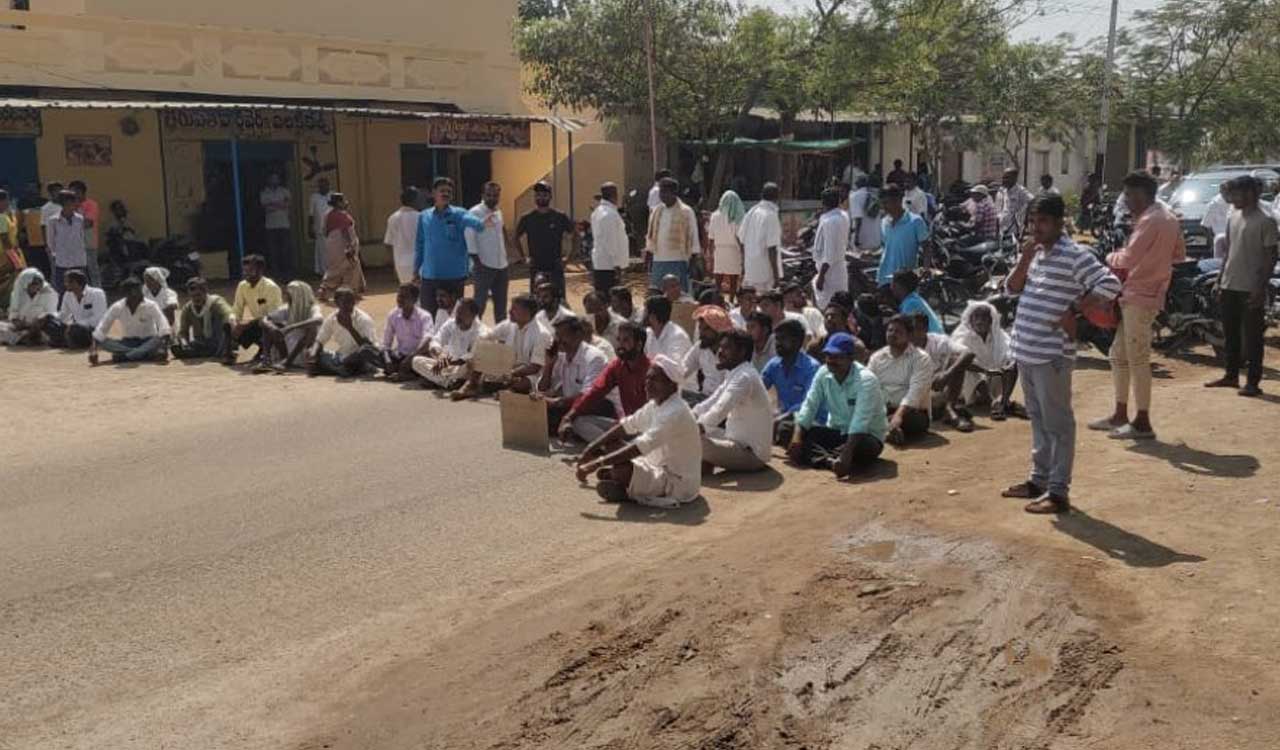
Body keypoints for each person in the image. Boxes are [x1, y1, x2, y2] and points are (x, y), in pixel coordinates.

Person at [1001, 194, 1121, 514]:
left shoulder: (1074, 255)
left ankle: (1058, 492)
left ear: (1058, 222)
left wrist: (1076, 311)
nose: (1035, 227)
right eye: (1032, 221)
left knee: (1058, 423)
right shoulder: (1036, 253)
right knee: (1038, 419)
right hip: (1027, 349)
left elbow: (1110, 284)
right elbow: (1011, 288)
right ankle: (1038, 479)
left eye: (1042, 221)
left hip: (1052, 353)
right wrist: (1025, 258)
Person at [1090, 170, 1185, 439]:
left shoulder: (1151, 220)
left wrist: (1110, 257)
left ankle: (1142, 422)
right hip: (1145, 294)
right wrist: (1156, 264)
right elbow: (1179, 255)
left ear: (1142, 194)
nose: (1127, 200)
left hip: (1140, 296)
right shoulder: (1167, 217)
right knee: (1118, 355)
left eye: (1129, 195)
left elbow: (1129, 258)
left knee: (1137, 358)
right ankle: (1120, 414)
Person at [572, 355, 703, 508]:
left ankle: (626, 488)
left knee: (622, 470)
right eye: (647, 378)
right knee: (611, 444)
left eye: (654, 379)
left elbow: (640, 447)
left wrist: (597, 463)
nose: (647, 383)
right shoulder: (656, 404)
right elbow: (627, 425)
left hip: (677, 482)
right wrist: (590, 448)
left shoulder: (675, 412)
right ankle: (622, 480)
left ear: (671, 385)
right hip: (654, 463)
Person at [1205, 175, 1278, 398]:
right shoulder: (1234, 216)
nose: (1232, 198)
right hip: (1230, 284)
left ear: (1250, 194)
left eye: (1236, 194)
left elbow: (1271, 257)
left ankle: (1253, 382)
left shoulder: (1266, 221)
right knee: (1231, 333)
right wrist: (1220, 280)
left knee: (1253, 337)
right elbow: (1228, 251)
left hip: (1251, 287)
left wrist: (1260, 288)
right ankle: (1231, 376)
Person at [786, 332, 888, 476]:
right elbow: (810, 405)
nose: (830, 360)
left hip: (865, 436)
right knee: (788, 429)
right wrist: (797, 438)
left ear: (850, 358)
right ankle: (830, 462)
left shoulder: (866, 379)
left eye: (837, 356)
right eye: (828, 355)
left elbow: (861, 421)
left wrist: (847, 452)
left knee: (863, 447)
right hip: (836, 432)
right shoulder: (823, 373)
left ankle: (824, 456)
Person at [691, 329, 772, 473]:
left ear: (742, 352)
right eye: (720, 347)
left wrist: (694, 427)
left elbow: (720, 409)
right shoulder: (735, 373)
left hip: (751, 454)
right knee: (687, 430)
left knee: (688, 439)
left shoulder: (744, 377)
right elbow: (711, 402)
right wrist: (690, 416)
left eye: (726, 348)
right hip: (734, 440)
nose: (720, 352)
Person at [558, 321, 651, 442]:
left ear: (638, 345)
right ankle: (617, 447)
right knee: (578, 422)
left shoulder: (652, 370)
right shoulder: (617, 366)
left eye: (626, 340)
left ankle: (617, 447)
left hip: (648, 428)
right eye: (619, 340)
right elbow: (595, 392)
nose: (620, 345)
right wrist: (568, 417)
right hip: (626, 425)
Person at [415, 177, 488, 315]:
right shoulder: (424, 216)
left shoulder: (459, 214)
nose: (446, 194)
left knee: (454, 316)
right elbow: (420, 245)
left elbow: (475, 223)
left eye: (449, 191)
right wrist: (415, 270)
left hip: (454, 276)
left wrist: (481, 223)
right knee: (429, 315)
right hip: (430, 276)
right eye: (442, 191)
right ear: (433, 193)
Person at [453, 294, 548, 400]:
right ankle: (470, 386)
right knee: (484, 347)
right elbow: (487, 336)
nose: (509, 311)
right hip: (508, 369)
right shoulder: (509, 324)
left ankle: (510, 391)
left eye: (515, 309)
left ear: (527, 312)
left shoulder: (541, 334)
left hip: (528, 373)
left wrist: (512, 373)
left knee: (529, 381)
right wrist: (475, 353)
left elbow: (535, 367)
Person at [538, 312, 611, 436]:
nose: (558, 340)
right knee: (536, 414)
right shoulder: (561, 356)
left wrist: (555, 402)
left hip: (597, 406)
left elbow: (588, 397)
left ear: (578, 335)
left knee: (575, 421)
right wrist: (549, 365)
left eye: (562, 335)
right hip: (572, 406)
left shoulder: (594, 357)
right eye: (557, 335)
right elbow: (543, 388)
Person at [868, 315, 934, 446]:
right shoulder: (877, 357)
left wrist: (898, 416)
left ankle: (882, 429)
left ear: (909, 335)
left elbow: (915, 392)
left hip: (911, 413)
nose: (892, 334)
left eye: (898, 331)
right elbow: (868, 386)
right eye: (890, 330)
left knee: (911, 422)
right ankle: (887, 429)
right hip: (882, 410)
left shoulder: (921, 359)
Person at [950, 300, 1019, 420]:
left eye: (984, 317)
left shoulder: (999, 335)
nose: (979, 321)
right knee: (968, 370)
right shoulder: (962, 335)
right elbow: (957, 358)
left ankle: (1002, 401)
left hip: (995, 379)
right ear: (970, 320)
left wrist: (1006, 365)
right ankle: (992, 402)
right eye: (976, 317)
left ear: (991, 320)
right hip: (972, 385)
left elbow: (1010, 353)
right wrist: (985, 371)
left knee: (1013, 365)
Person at [909, 312, 976, 432]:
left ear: (925, 329)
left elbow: (968, 353)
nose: (913, 333)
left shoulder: (939, 341)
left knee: (956, 360)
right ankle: (947, 409)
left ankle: (949, 408)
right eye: (910, 329)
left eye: (917, 328)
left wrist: (946, 375)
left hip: (940, 389)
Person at [761, 318, 822, 444]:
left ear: (797, 342)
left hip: (811, 420)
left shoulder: (812, 368)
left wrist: (780, 418)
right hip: (784, 418)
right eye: (777, 339)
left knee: (784, 429)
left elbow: (808, 405)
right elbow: (758, 388)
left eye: (783, 339)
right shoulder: (774, 365)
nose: (778, 343)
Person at [89, 277, 172, 364]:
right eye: (133, 291)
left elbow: (164, 326)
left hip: (148, 341)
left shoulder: (151, 305)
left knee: (159, 339)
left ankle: (126, 357)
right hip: (127, 343)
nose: (138, 294)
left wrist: (163, 347)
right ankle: (141, 354)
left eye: (139, 290)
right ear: (126, 293)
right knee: (102, 341)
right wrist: (93, 350)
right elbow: (101, 329)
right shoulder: (117, 307)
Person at [412, 297, 486, 390]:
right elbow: (436, 340)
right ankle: (448, 382)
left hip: (462, 367)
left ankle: (439, 380)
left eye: (462, 313)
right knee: (416, 361)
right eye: (457, 312)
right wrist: (440, 355)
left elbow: (472, 356)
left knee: (470, 365)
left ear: (473, 315)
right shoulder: (451, 323)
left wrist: (449, 362)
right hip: (447, 365)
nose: (457, 315)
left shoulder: (481, 332)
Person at [516, 181, 573, 298]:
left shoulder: (560, 216)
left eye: (544, 195)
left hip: (556, 266)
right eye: (538, 195)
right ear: (535, 197)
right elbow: (516, 238)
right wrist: (524, 258)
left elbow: (576, 236)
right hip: (536, 266)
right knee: (537, 300)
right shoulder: (527, 218)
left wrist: (568, 257)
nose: (541, 198)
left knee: (559, 300)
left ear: (550, 196)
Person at [308, 287, 382, 377]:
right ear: (337, 303)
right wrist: (312, 357)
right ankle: (342, 369)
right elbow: (319, 340)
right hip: (342, 356)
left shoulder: (363, 319)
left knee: (360, 356)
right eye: (346, 302)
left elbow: (368, 348)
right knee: (310, 351)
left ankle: (339, 369)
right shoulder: (332, 318)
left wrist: (350, 327)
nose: (351, 304)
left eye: (352, 301)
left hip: (361, 358)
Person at [461, 181, 508, 322]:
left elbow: (501, 233)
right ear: (482, 195)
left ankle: (501, 335)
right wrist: (477, 263)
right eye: (489, 195)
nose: (492, 198)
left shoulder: (498, 212)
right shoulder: (474, 213)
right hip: (484, 265)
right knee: (479, 305)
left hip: (501, 266)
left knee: (501, 307)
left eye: (495, 195)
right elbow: (469, 238)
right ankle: (475, 333)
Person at [644, 177, 700, 292]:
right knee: (657, 293)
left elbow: (693, 236)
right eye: (661, 192)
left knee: (678, 294)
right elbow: (650, 236)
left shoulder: (686, 211)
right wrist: (648, 258)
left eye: (665, 192)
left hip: (678, 260)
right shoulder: (656, 211)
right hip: (658, 260)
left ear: (674, 193)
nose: (662, 195)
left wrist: (693, 262)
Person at [229, 254, 284, 365]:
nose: (245, 274)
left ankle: (265, 352)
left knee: (265, 325)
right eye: (244, 271)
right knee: (227, 325)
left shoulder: (271, 287)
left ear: (260, 270)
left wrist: (248, 324)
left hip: (270, 325)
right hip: (256, 324)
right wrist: (234, 323)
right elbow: (236, 309)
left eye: (250, 271)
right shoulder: (242, 286)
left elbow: (273, 316)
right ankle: (229, 354)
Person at [259, 280, 323, 371]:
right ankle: (266, 360)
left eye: (288, 294)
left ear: (298, 295)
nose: (285, 296)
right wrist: (272, 327)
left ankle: (287, 362)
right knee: (269, 325)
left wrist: (291, 327)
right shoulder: (287, 308)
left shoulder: (313, 307)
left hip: (304, 350)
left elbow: (319, 320)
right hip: (289, 345)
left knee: (312, 328)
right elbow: (264, 319)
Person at [877, 184, 929, 288]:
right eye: (882, 203)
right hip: (884, 278)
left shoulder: (915, 221)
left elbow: (927, 247)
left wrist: (925, 269)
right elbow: (886, 248)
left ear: (898, 200)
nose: (884, 207)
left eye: (886, 203)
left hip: (905, 282)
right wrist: (870, 254)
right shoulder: (884, 222)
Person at [172, 277, 235, 360]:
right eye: (193, 296)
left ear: (205, 292)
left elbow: (229, 315)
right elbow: (183, 332)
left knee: (227, 323)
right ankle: (209, 352)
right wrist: (184, 343)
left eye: (198, 295)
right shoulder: (188, 309)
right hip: (201, 343)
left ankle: (224, 350)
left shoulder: (216, 302)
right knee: (176, 347)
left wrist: (229, 324)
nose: (196, 299)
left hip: (220, 340)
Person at [382, 283, 435, 381]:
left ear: (414, 300)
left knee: (422, 363)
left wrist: (410, 358)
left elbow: (427, 342)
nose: (400, 299)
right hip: (400, 356)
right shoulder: (393, 315)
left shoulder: (425, 316)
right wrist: (388, 361)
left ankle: (405, 374)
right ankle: (404, 372)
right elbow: (386, 345)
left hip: (417, 356)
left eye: (404, 297)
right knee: (371, 352)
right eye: (399, 296)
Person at [317, 192, 365, 300]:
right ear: (339, 203)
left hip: (332, 245)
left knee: (335, 268)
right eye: (343, 201)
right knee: (350, 266)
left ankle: (324, 289)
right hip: (342, 246)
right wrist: (350, 247)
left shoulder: (327, 215)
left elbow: (324, 231)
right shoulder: (342, 216)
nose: (346, 203)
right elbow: (345, 232)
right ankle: (351, 291)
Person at [738, 182, 782, 290]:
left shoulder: (752, 211)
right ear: (777, 197)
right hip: (764, 272)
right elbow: (772, 248)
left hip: (750, 268)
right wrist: (776, 277)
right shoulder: (771, 215)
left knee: (752, 298)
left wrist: (744, 263)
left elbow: (740, 238)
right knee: (765, 299)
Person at [811, 186, 850, 309]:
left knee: (829, 306)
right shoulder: (843, 216)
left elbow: (830, 253)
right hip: (838, 268)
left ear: (823, 203)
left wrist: (822, 276)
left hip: (829, 272)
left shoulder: (831, 221)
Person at [590, 182, 630, 296]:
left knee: (603, 297)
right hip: (609, 266)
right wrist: (616, 265)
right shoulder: (609, 214)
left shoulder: (598, 211)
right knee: (610, 298)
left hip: (603, 264)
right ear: (614, 195)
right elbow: (610, 242)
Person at [683, 304, 730, 399]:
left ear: (718, 330)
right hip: (704, 397)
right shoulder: (700, 346)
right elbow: (683, 370)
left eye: (706, 330)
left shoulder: (731, 352)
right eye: (700, 329)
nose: (701, 334)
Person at [0, 268, 57, 345]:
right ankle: (24, 338)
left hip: (41, 328)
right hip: (20, 328)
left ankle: (23, 339)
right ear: (25, 283)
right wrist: (17, 322)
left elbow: (51, 314)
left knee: (50, 330)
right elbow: (13, 312)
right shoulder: (17, 293)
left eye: (40, 283)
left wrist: (38, 322)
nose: (38, 286)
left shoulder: (49, 293)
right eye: (34, 283)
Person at [46, 189, 87, 293]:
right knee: (62, 290)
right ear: (62, 204)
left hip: (78, 260)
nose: (71, 206)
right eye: (68, 203)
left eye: (73, 202)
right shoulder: (53, 221)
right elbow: (50, 241)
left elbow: (81, 237)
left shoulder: (80, 219)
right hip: (62, 261)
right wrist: (56, 254)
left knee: (80, 289)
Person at [709, 190, 746, 300]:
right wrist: (743, 253)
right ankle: (731, 300)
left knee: (718, 281)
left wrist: (710, 254)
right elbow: (740, 237)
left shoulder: (714, 216)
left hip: (719, 250)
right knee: (733, 280)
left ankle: (716, 301)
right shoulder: (737, 216)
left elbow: (711, 237)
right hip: (733, 250)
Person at [384, 186, 421, 287]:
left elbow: (388, 243)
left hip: (401, 264)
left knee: (407, 291)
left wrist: (392, 264)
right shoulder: (421, 217)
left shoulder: (393, 218)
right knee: (420, 291)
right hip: (420, 263)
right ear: (414, 200)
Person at [642, 295, 692, 367]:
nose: (642, 315)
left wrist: (656, 363)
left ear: (653, 316)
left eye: (645, 311)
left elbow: (675, 367)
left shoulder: (677, 336)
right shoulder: (649, 333)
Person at [259, 172, 293, 278]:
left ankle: (287, 273)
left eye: (276, 179)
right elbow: (265, 207)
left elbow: (287, 204)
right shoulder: (264, 192)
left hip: (284, 225)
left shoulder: (284, 191)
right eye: (272, 179)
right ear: (269, 180)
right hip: (270, 226)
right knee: (273, 252)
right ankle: (276, 273)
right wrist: (280, 204)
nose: (275, 181)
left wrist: (272, 204)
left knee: (285, 251)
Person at [890, 269, 944, 334]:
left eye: (893, 284)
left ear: (901, 287)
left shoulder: (911, 304)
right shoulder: (912, 298)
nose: (891, 287)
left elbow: (907, 332)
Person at [68, 180, 100, 286]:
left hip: (88, 242)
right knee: (79, 272)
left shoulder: (91, 205)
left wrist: (71, 222)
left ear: (82, 192)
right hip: (74, 244)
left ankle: (97, 289)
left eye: (76, 192)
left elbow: (88, 223)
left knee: (92, 270)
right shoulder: (69, 206)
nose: (74, 195)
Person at [0, 189, 24, 310]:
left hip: (10, 252)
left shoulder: (7, 215)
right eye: (5, 201)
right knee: (10, 279)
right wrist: (15, 260)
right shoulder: (1, 218)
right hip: (5, 255)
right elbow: (5, 241)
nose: (7, 203)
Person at [995, 167, 1035, 239]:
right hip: (1001, 230)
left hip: (1014, 231)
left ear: (1015, 178)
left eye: (1007, 178)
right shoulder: (1002, 191)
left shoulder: (1021, 191)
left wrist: (1025, 219)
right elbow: (998, 211)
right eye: (1003, 178)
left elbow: (1033, 201)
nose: (1004, 180)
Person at [308, 177, 333, 276]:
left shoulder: (333, 195)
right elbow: (311, 214)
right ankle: (323, 272)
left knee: (332, 250)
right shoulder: (314, 197)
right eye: (321, 186)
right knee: (321, 251)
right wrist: (310, 228)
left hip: (332, 228)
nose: (323, 188)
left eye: (325, 185)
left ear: (328, 186)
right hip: (319, 229)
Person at [850, 177, 882, 252]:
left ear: (857, 184)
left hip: (862, 240)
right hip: (876, 239)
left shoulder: (854, 196)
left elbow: (858, 219)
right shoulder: (875, 195)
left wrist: (856, 238)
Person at [1202, 182, 1232, 260]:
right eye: (1226, 191)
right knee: (1220, 263)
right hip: (1221, 241)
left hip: (1235, 239)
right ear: (1221, 192)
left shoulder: (1236, 202)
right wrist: (1212, 243)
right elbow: (1205, 225)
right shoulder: (1214, 204)